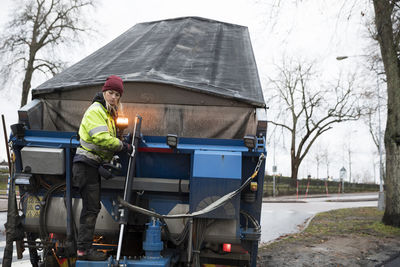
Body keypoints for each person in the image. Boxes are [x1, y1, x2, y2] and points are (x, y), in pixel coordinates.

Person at [72, 75, 133, 261]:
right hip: (86, 165)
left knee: (92, 207)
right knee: (91, 209)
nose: (113, 97)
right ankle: (84, 251)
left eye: (117, 94)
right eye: (110, 93)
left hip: (91, 166)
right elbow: (101, 138)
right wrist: (123, 146)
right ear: (104, 92)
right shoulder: (96, 110)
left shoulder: (107, 113)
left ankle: (83, 248)